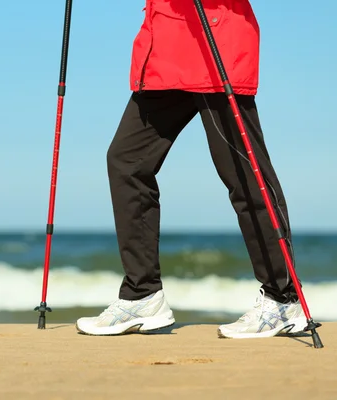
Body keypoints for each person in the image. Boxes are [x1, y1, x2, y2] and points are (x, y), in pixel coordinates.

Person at [75, 0, 307, 338]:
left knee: (244, 175)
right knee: (127, 161)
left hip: (216, 44)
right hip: (166, 52)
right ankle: (143, 295)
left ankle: (282, 299)